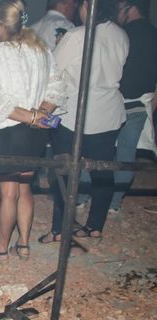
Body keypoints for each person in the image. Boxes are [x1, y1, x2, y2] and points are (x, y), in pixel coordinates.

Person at [0, 0, 65, 262]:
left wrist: (29, 116)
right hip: (36, 132)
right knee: (25, 189)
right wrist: (40, 115)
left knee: (8, 193)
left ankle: (3, 249)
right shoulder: (41, 51)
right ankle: (25, 245)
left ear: (0, 25)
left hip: (10, 131)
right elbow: (57, 90)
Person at [38, 0, 128, 244]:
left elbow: (53, 72)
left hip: (74, 115)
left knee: (63, 172)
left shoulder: (77, 36)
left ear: (89, 6)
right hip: (108, 114)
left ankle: (59, 228)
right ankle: (95, 226)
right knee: (102, 172)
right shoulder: (120, 34)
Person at [109, 0, 157, 213]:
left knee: (96, 152)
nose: (118, 13)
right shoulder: (154, 34)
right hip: (141, 104)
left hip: (114, 102)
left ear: (131, 8)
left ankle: (83, 198)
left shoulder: (121, 34)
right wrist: (151, 106)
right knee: (126, 156)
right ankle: (114, 204)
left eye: (120, 8)